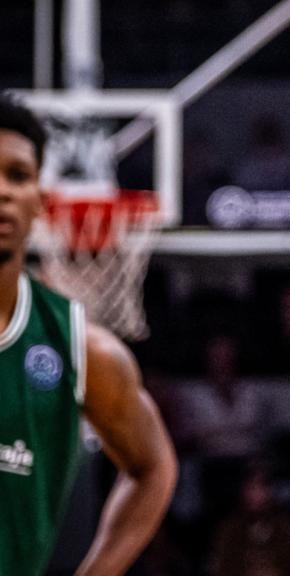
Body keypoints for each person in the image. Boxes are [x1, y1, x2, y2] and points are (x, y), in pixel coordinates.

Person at [0, 95, 178, 575]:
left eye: (18, 176)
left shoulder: (83, 348)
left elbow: (153, 468)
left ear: (41, 200)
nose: (3, 191)